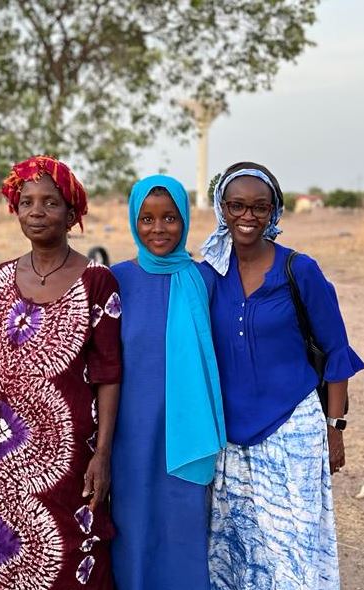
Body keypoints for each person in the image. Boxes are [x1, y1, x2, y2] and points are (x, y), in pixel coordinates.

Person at [0, 155, 122, 590]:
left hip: (71, 456)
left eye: (50, 203)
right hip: (4, 452)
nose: (35, 211)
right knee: (8, 557)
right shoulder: (1, 278)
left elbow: (109, 374)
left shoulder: (97, 281)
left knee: (72, 554)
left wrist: (102, 455)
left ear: (72, 214)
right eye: (26, 201)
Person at [201, 162, 364, 590]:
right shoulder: (207, 275)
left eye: (260, 206)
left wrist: (335, 429)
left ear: (275, 211)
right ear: (221, 208)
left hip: (292, 429)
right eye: (236, 205)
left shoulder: (299, 269)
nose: (247, 216)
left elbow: (336, 351)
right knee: (238, 550)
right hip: (229, 441)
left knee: (294, 547)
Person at [110, 175, 226, 590]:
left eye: (170, 219)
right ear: (132, 221)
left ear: (185, 222)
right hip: (131, 430)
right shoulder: (115, 280)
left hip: (187, 427)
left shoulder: (204, 280)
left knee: (184, 519)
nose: (158, 230)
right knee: (132, 519)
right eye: (146, 219)